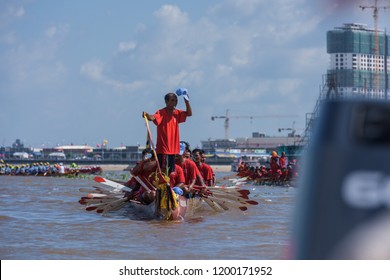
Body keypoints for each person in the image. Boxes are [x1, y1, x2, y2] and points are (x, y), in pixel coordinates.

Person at [143, 89, 192, 175]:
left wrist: (186, 99)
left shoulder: (176, 113)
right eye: (172, 100)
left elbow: (189, 113)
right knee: (163, 170)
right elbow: (152, 118)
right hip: (164, 149)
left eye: (176, 100)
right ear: (166, 101)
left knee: (170, 172)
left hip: (173, 149)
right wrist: (147, 115)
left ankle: (167, 186)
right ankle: (162, 186)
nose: (175, 102)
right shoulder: (161, 112)